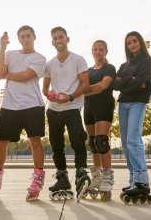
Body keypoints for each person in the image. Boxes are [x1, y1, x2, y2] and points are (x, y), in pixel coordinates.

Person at [0, 25, 46, 202]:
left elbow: (26, 76)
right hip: (10, 105)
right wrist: (2, 48)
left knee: (35, 142)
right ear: (19, 39)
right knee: (1, 142)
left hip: (33, 105)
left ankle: (38, 180)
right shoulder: (10, 54)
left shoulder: (39, 58)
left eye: (28, 36)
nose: (26, 39)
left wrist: (7, 75)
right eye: (22, 36)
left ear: (34, 37)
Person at [43, 26, 91, 202]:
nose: (58, 41)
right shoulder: (49, 63)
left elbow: (85, 83)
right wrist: (51, 96)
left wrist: (69, 96)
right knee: (56, 145)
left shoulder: (78, 59)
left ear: (67, 39)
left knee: (78, 140)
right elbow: (45, 87)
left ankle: (80, 172)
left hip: (71, 107)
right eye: (55, 38)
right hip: (54, 109)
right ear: (52, 42)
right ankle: (62, 178)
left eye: (61, 37)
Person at [112, 31, 151, 203]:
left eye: (134, 41)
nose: (132, 45)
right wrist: (133, 80)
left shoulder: (147, 61)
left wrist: (127, 82)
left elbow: (141, 82)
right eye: (129, 43)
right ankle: (132, 180)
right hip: (123, 105)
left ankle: (142, 182)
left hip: (137, 103)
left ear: (140, 42)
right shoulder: (124, 65)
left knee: (133, 140)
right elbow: (116, 84)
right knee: (125, 143)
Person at [82, 40, 116, 201]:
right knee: (93, 142)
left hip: (104, 106)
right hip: (89, 107)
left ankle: (108, 176)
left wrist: (84, 90)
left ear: (106, 51)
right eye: (95, 49)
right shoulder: (87, 71)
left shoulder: (109, 68)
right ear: (92, 51)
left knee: (101, 141)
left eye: (101, 49)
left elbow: (103, 85)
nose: (98, 52)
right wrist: (84, 91)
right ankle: (96, 177)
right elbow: (81, 89)